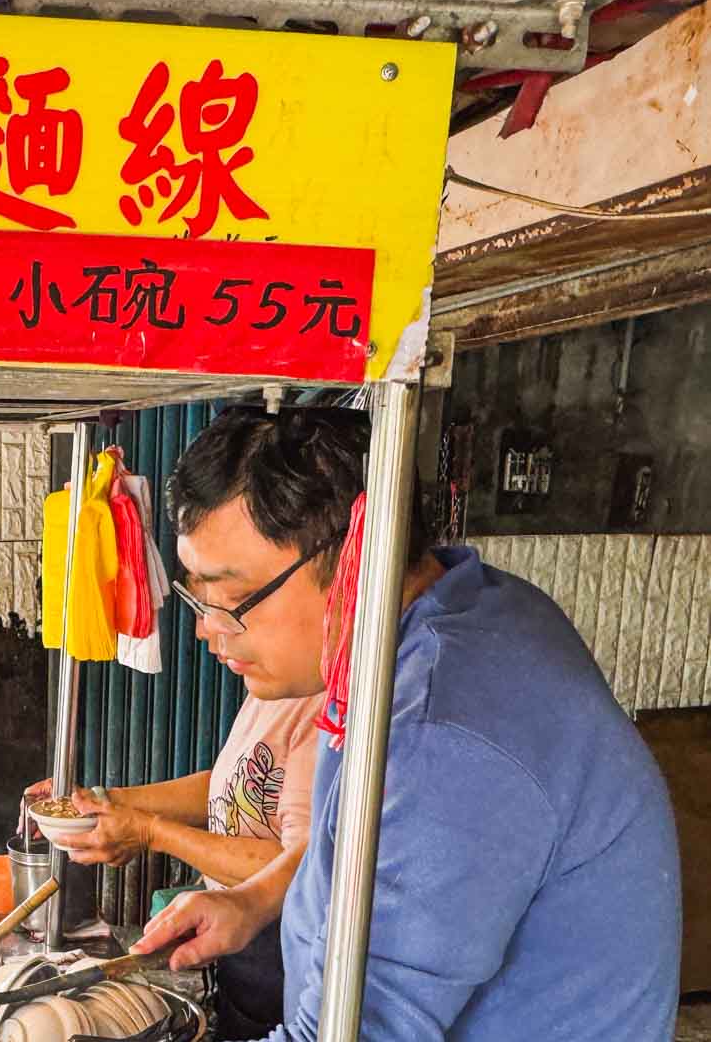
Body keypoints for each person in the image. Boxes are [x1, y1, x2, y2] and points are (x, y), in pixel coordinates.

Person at [124, 403, 680, 1041]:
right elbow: (365, 850)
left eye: (230, 599)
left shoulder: (441, 729)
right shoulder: (459, 608)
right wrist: (257, 900)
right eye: (198, 596)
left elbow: (364, 1032)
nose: (206, 628)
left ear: (353, 551)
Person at [29, 678, 320, 1037]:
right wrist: (104, 802)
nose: (203, 631)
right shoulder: (271, 681)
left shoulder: (327, 705)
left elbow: (303, 869)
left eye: (218, 618)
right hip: (237, 937)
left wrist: (152, 832)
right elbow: (225, 786)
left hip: (283, 947)